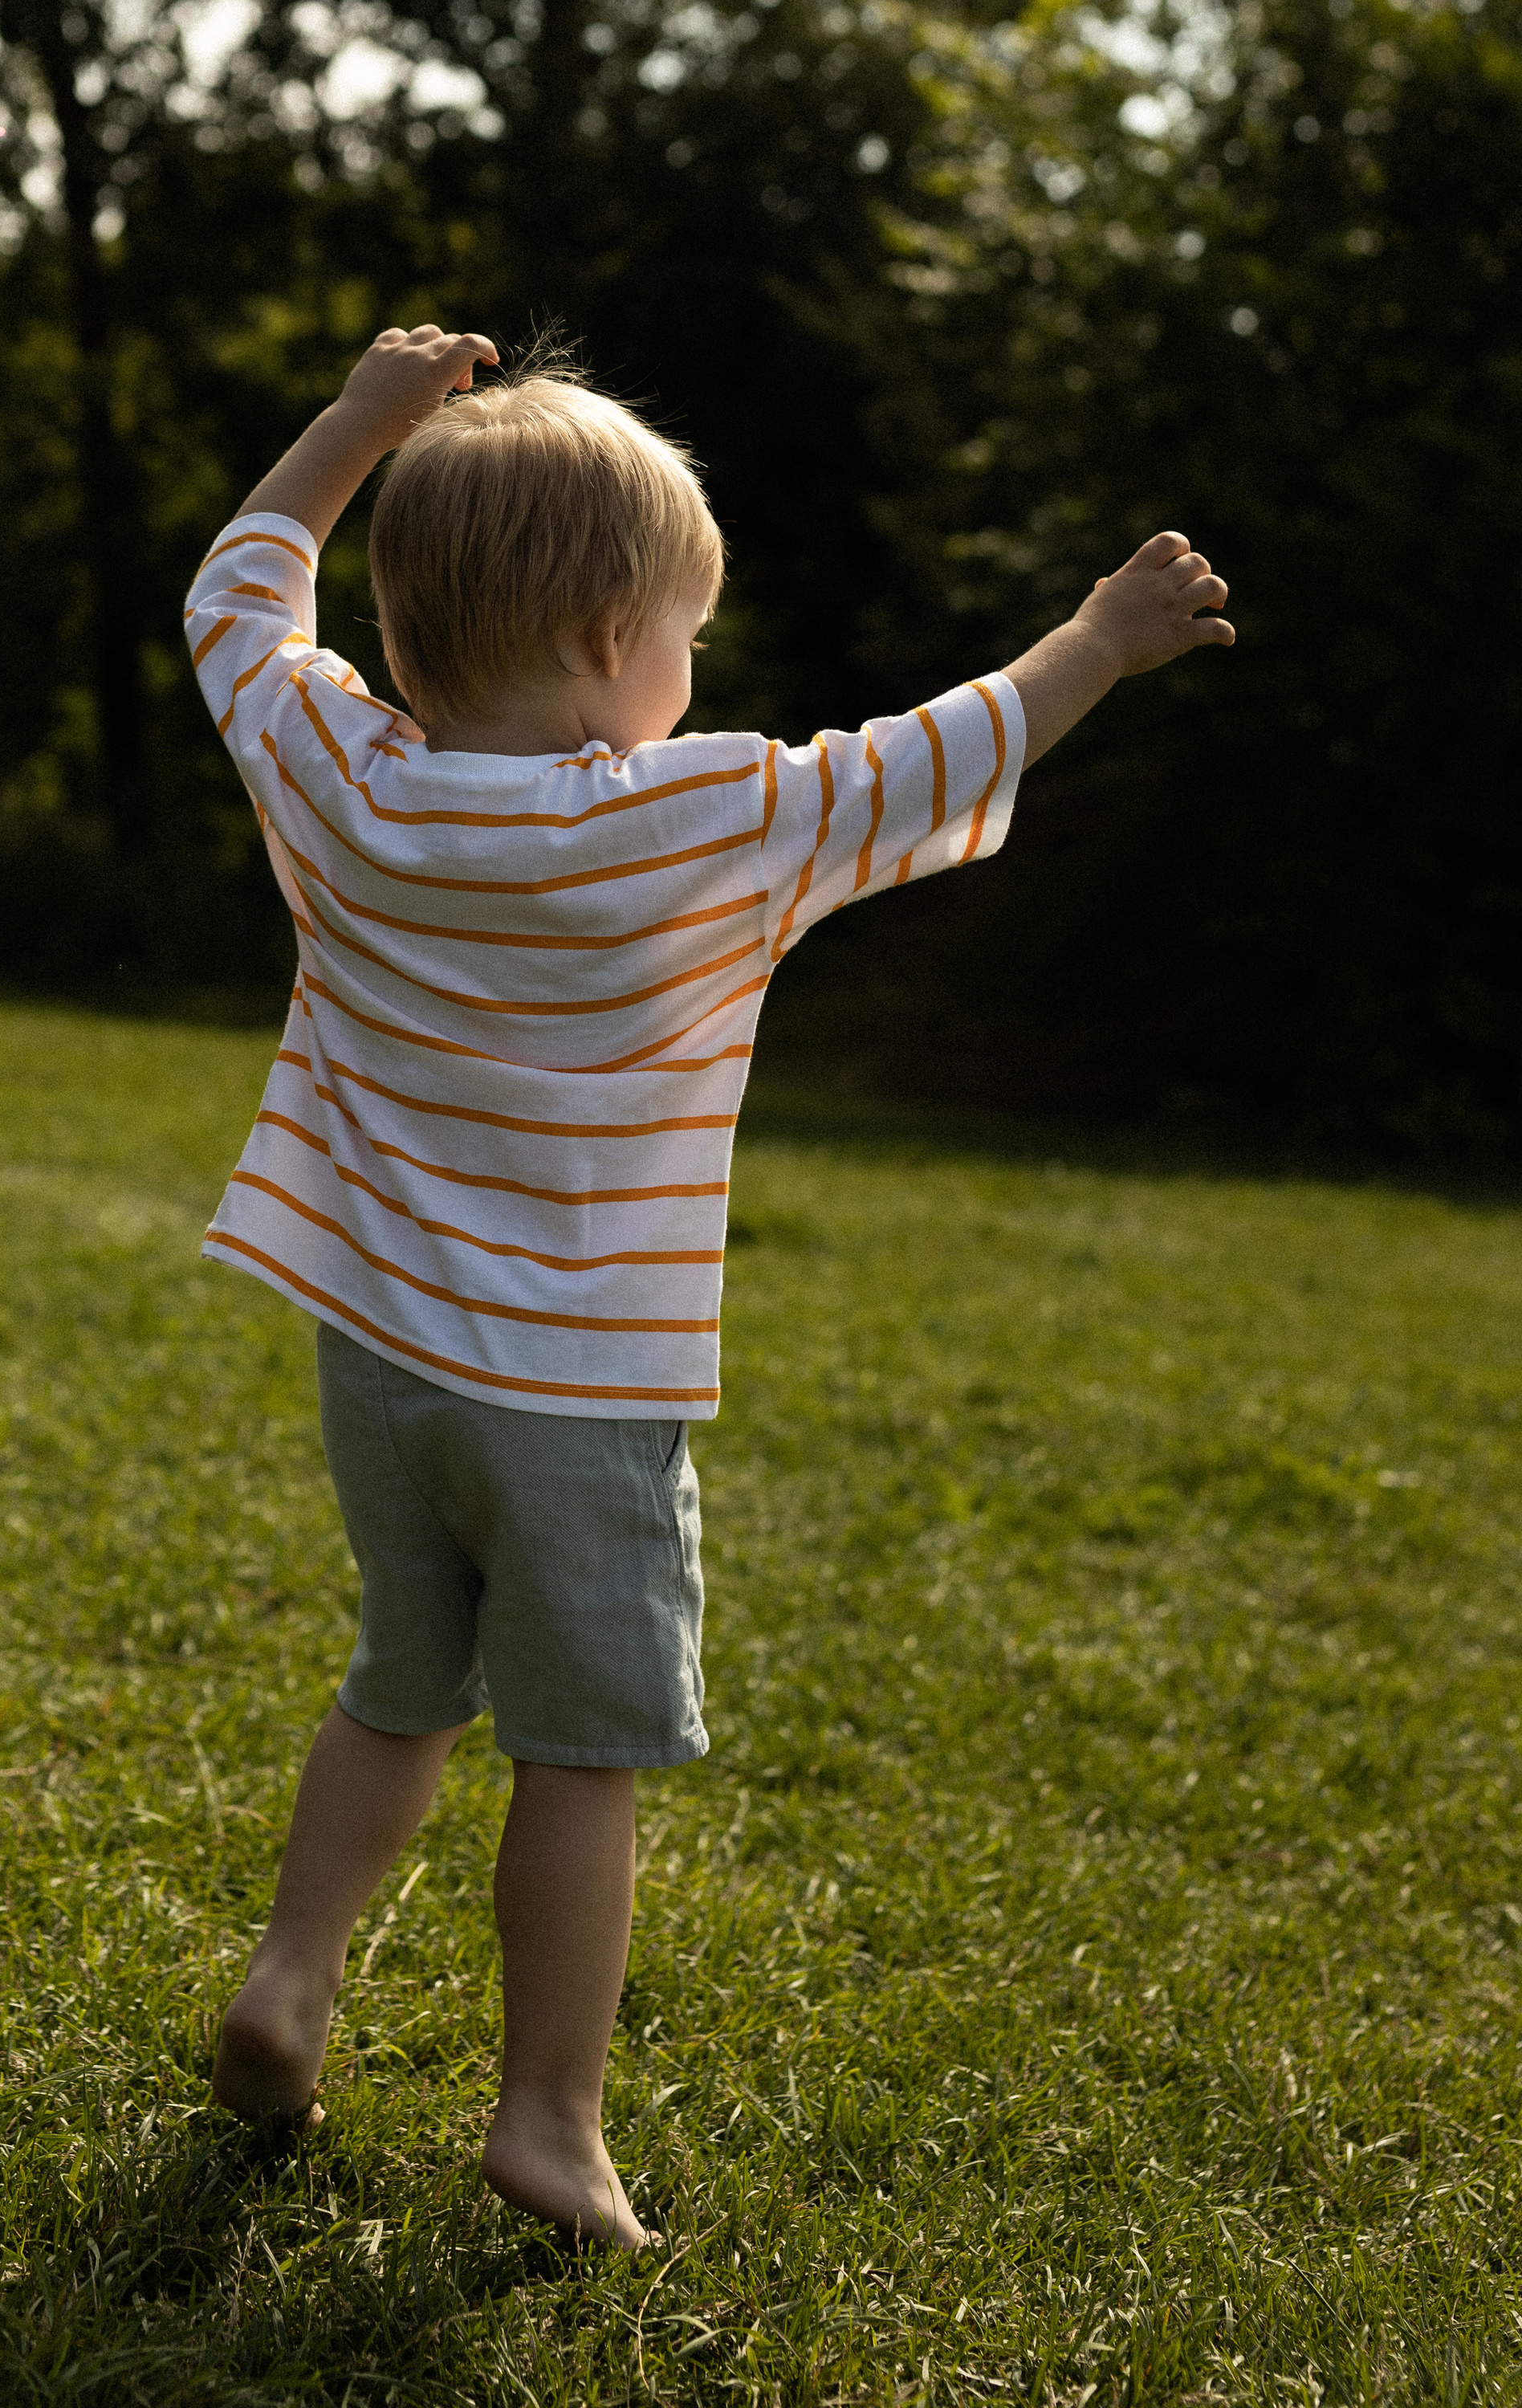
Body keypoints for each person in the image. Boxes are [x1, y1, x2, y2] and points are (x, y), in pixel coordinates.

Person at [184, 321, 1234, 2248]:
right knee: (578, 1756)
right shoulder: (712, 824)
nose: (694, 672)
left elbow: (238, 594)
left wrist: (352, 426)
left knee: (400, 1687)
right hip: (578, 1401)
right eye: (684, 628)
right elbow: (946, 748)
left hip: (380, 1363)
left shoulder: (341, 782)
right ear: (606, 642)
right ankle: (547, 2120)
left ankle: (290, 1977)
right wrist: (1100, 637)